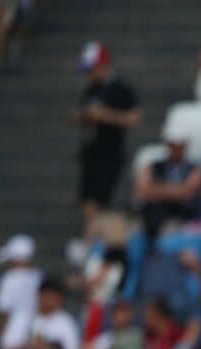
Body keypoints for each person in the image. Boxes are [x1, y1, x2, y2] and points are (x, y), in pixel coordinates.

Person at [75, 41, 141, 226]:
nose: (88, 74)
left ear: (102, 65)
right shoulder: (93, 89)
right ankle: (91, 241)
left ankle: (93, 244)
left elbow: (135, 118)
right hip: (91, 148)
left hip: (109, 151)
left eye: (92, 68)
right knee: (88, 201)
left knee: (98, 201)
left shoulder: (120, 89)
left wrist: (105, 115)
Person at [134, 129, 201, 247]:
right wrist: (174, 189)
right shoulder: (154, 165)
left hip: (179, 215)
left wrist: (158, 188)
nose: (175, 149)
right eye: (173, 145)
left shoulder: (194, 168)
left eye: (179, 146)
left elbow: (187, 192)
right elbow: (142, 190)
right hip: (151, 215)